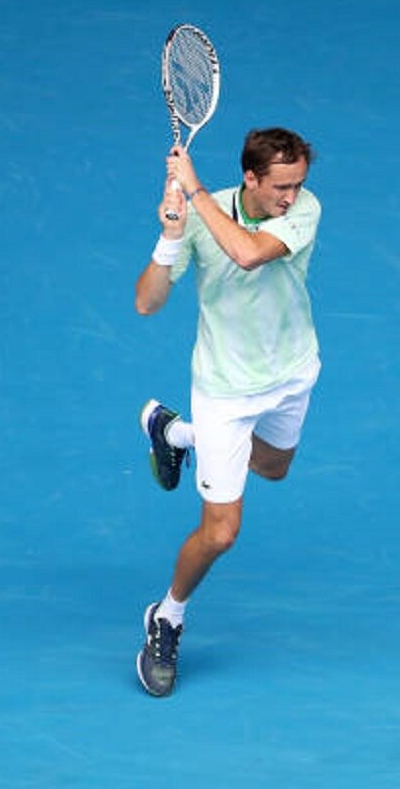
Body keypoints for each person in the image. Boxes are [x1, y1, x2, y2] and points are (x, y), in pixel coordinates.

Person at [133, 127, 322, 697]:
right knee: (221, 534)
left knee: (273, 468)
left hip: (290, 375)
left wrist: (193, 196)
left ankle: (175, 434)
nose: (291, 197)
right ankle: (167, 616)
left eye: (297, 185)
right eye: (281, 187)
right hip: (224, 391)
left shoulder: (304, 210)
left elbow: (246, 254)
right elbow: (147, 302)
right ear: (250, 178)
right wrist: (170, 239)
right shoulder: (202, 213)